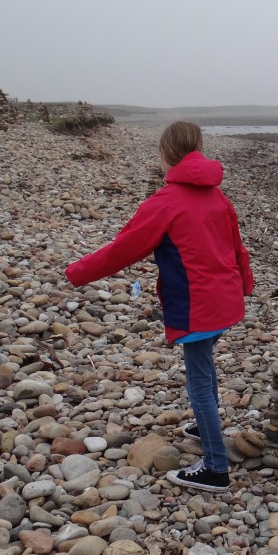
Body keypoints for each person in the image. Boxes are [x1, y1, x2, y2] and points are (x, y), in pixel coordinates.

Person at [65, 121, 254, 493]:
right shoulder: (217, 196)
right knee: (205, 368)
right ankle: (205, 427)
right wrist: (246, 284)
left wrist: (76, 272)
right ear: (196, 150)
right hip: (226, 299)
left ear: (165, 155)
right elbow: (237, 247)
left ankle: (215, 468)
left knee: (198, 381)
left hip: (197, 306)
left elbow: (123, 249)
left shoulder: (165, 202)